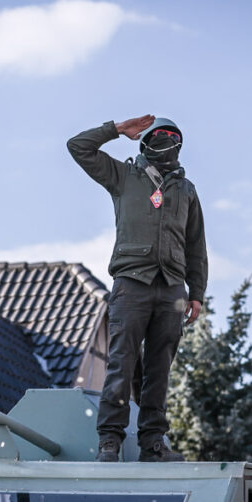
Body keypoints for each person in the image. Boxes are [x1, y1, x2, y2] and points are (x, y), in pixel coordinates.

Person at [68, 115, 208, 462]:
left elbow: (196, 245)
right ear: (144, 140)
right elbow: (78, 147)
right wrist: (115, 130)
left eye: (173, 137)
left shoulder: (186, 190)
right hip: (132, 284)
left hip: (172, 289)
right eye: (159, 135)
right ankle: (110, 441)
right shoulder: (124, 176)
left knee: (160, 370)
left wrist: (196, 293)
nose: (167, 142)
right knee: (122, 363)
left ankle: (153, 444)